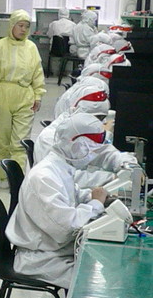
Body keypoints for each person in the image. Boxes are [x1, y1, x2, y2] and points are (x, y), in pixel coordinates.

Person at [7, 113, 108, 288]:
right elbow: (67, 228)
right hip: (42, 260)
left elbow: (72, 194)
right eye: (90, 150)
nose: (92, 156)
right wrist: (96, 204)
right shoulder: (44, 177)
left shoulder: (59, 167)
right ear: (75, 145)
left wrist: (93, 196)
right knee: (99, 286)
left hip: (54, 250)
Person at [0, 9, 45, 187]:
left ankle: (16, 178)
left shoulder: (31, 48)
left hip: (25, 95)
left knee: (19, 142)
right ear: (12, 26)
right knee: (2, 142)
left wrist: (38, 95)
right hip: (2, 95)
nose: (23, 30)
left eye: (27, 26)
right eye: (20, 25)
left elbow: (37, 73)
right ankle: (3, 176)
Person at [36, 80, 135, 188]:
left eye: (102, 118)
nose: (100, 123)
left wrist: (128, 164)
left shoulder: (82, 131)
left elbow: (103, 152)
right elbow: (66, 178)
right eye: (96, 118)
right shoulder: (49, 138)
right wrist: (111, 178)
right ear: (79, 112)